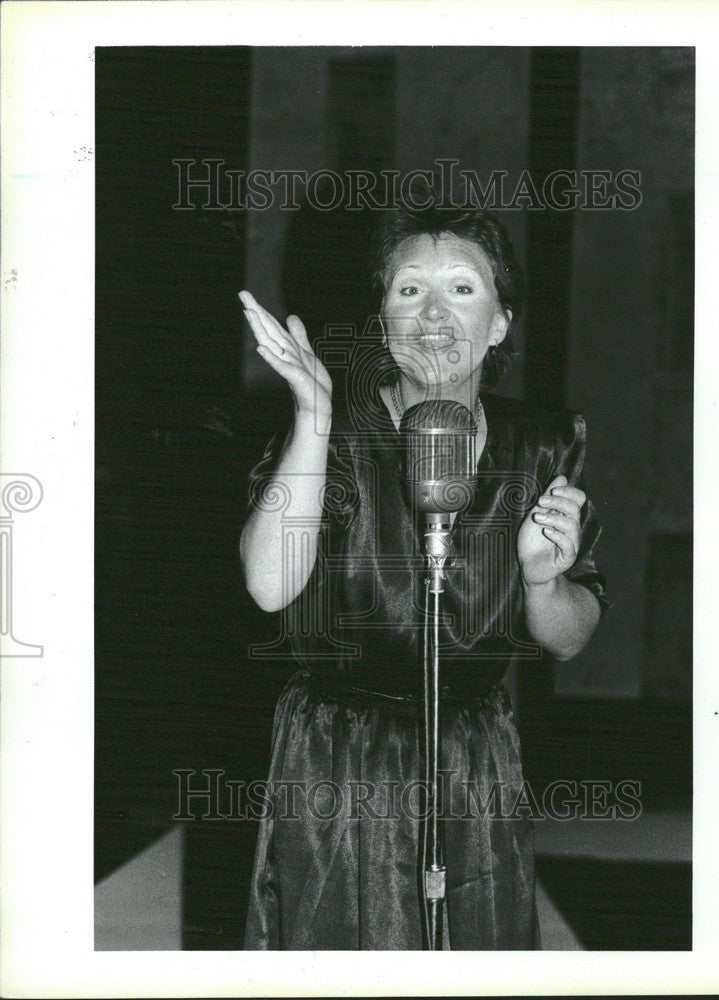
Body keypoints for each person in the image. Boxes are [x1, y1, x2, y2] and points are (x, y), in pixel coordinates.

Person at [239, 205, 609, 950]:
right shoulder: (332, 434)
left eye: (462, 289)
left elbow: (571, 639)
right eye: (409, 290)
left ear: (500, 323)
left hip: (474, 753)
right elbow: (270, 587)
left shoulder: (544, 444)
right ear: (382, 323)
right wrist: (313, 416)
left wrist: (542, 581)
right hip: (336, 753)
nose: (433, 312)